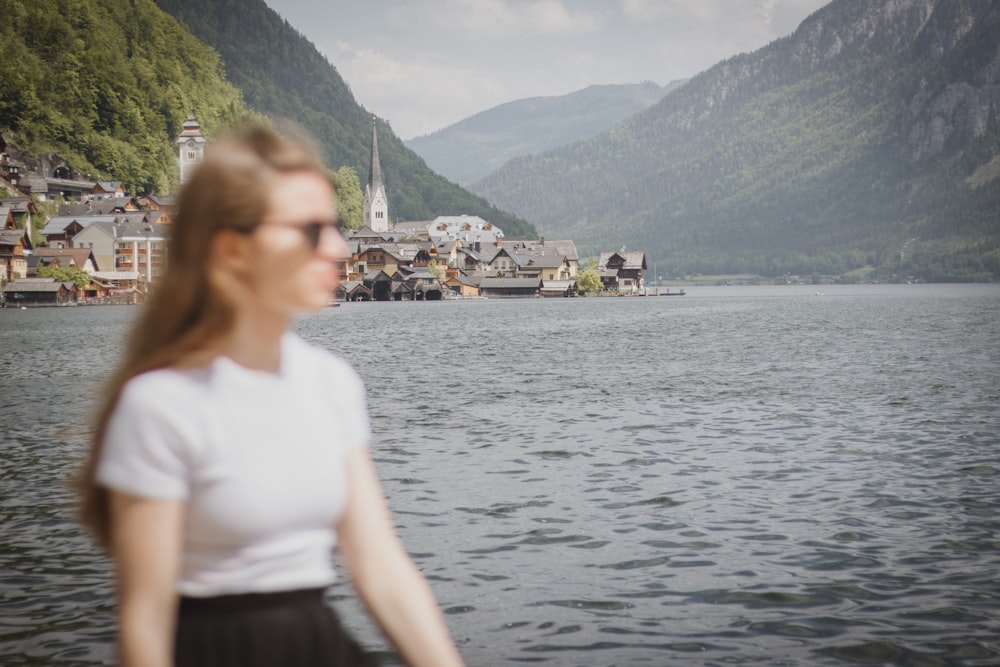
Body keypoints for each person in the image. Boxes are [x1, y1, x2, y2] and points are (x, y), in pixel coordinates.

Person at [77, 125, 466, 667]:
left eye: (332, 226)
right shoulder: (161, 406)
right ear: (233, 249)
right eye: (310, 229)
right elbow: (145, 623)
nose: (335, 246)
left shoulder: (330, 383)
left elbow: (381, 569)